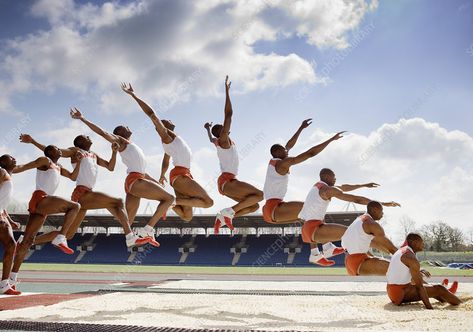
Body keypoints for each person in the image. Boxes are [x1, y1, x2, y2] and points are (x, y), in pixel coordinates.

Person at [20, 133, 148, 248]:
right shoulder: (76, 151)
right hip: (82, 193)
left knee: (68, 235)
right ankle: (130, 237)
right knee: (118, 202)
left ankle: (27, 241)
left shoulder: (93, 154)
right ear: (80, 142)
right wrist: (33, 141)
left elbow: (110, 167)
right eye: (86, 137)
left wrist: (114, 152)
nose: (89, 137)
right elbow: (54, 152)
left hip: (87, 195)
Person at [69, 107, 175, 246]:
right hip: (135, 181)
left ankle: (129, 240)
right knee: (170, 198)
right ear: (120, 133)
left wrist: (156, 182)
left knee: (127, 220)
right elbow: (102, 133)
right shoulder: (121, 141)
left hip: (136, 179)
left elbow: (142, 171)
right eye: (124, 127)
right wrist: (82, 118)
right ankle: (148, 230)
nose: (128, 126)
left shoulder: (133, 146)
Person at [121, 83, 213, 221]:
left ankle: (170, 202)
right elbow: (152, 115)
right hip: (181, 175)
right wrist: (134, 95)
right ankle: (170, 201)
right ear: (162, 126)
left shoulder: (169, 144)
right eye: (166, 121)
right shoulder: (166, 137)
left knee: (187, 216)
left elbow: (166, 160)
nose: (170, 120)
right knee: (208, 202)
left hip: (179, 175)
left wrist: (162, 175)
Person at [9, 146, 83, 289]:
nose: (60, 150)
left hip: (45, 205)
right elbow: (24, 166)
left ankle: (12, 278)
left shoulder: (59, 166)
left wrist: (79, 162)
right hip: (41, 198)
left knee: (27, 242)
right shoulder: (45, 160)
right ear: (50, 152)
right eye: (56, 148)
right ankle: (61, 237)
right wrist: (7, 169)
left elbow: (73, 177)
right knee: (75, 206)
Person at [299, 168, 400, 266]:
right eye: (333, 177)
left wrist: (363, 185)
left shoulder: (318, 186)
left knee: (352, 233)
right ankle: (397, 254)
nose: (335, 179)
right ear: (326, 176)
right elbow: (357, 200)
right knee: (357, 235)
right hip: (313, 228)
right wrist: (382, 204)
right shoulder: (326, 190)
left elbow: (344, 187)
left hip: (310, 226)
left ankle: (322, 251)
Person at [204, 76, 263, 233]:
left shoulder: (218, 142)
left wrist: (207, 130)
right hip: (227, 180)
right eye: (223, 128)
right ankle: (227, 213)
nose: (226, 128)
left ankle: (225, 217)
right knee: (260, 195)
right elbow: (229, 115)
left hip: (227, 183)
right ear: (222, 132)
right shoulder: (223, 140)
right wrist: (227, 92)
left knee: (254, 205)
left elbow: (211, 139)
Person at [262, 120, 344, 225]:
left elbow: (289, 145)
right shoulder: (282, 164)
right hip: (275, 208)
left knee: (309, 216)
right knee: (312, 210)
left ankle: (315, 238)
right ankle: (320, 238)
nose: (286, 151)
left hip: (271, 210)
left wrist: (301, 128)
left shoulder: (274, 163)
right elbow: (310, 153)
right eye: (284, 150)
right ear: (277, 152)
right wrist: (331, 139)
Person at [386, 233, 461, 308]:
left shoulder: (402, 250)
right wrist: (429, 307)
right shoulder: (410, 257)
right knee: (439, 288)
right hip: (399, 294)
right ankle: (460, 304)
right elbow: (420, 287)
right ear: (415, 243)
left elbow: (402, 268)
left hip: (392, 291)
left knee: (424, 283)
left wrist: (419, 270)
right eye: (422, 242)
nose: (423, 244)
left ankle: (445, 296)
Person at [341, 201, 397, 276]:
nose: (382, 214)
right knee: (397, 270)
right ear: (374, 210)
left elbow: (362, 243)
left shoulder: (359, 220)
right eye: (381, 210)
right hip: (358, 260)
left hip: (349, 260)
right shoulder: (371, 224)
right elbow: (391, 248)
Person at [0, 155, 21, 295]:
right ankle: (3, 284)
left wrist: (9, 219)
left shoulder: (7, 175)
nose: (14, 159)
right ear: (2, 162)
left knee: (11, 245)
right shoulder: (1, 171)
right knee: (11, 245)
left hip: (1, 213)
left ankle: (4, 284)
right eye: (11, 158)